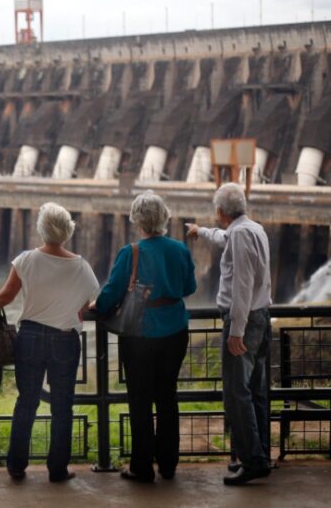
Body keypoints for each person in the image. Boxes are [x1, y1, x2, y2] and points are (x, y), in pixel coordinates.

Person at [0, 202, 99, 483]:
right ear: (67, 230)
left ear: (42, 229)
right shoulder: (81, 266)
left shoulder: (26, 259)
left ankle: (16, 466)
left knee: (26, 402)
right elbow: (91, 303)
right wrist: (75, 308)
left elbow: (5, 297)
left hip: (30, 337)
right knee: (62, 405)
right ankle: (58, 469)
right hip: (65, 340)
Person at [92, 191, 196, 483]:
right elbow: (190, 287)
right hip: (175, 330)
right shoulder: (180, 249)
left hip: (139, 333)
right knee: (166, 396)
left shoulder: (131, 252)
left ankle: (142, 466)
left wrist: (96, 307)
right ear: (164, 217)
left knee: (139, 400)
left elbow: (111, 292)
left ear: (137, 220)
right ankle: (168, 463)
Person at [186, 182, 273, 485]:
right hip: (261, 319)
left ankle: (253, 461)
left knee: (237, 394)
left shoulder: (239, 234)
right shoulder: (253, 229)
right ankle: (260, 454)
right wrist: (201, 231)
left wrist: (236, 331)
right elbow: (223, 237)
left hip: (245, 322)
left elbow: (242, 285)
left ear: (221, 211)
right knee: (257, 392)